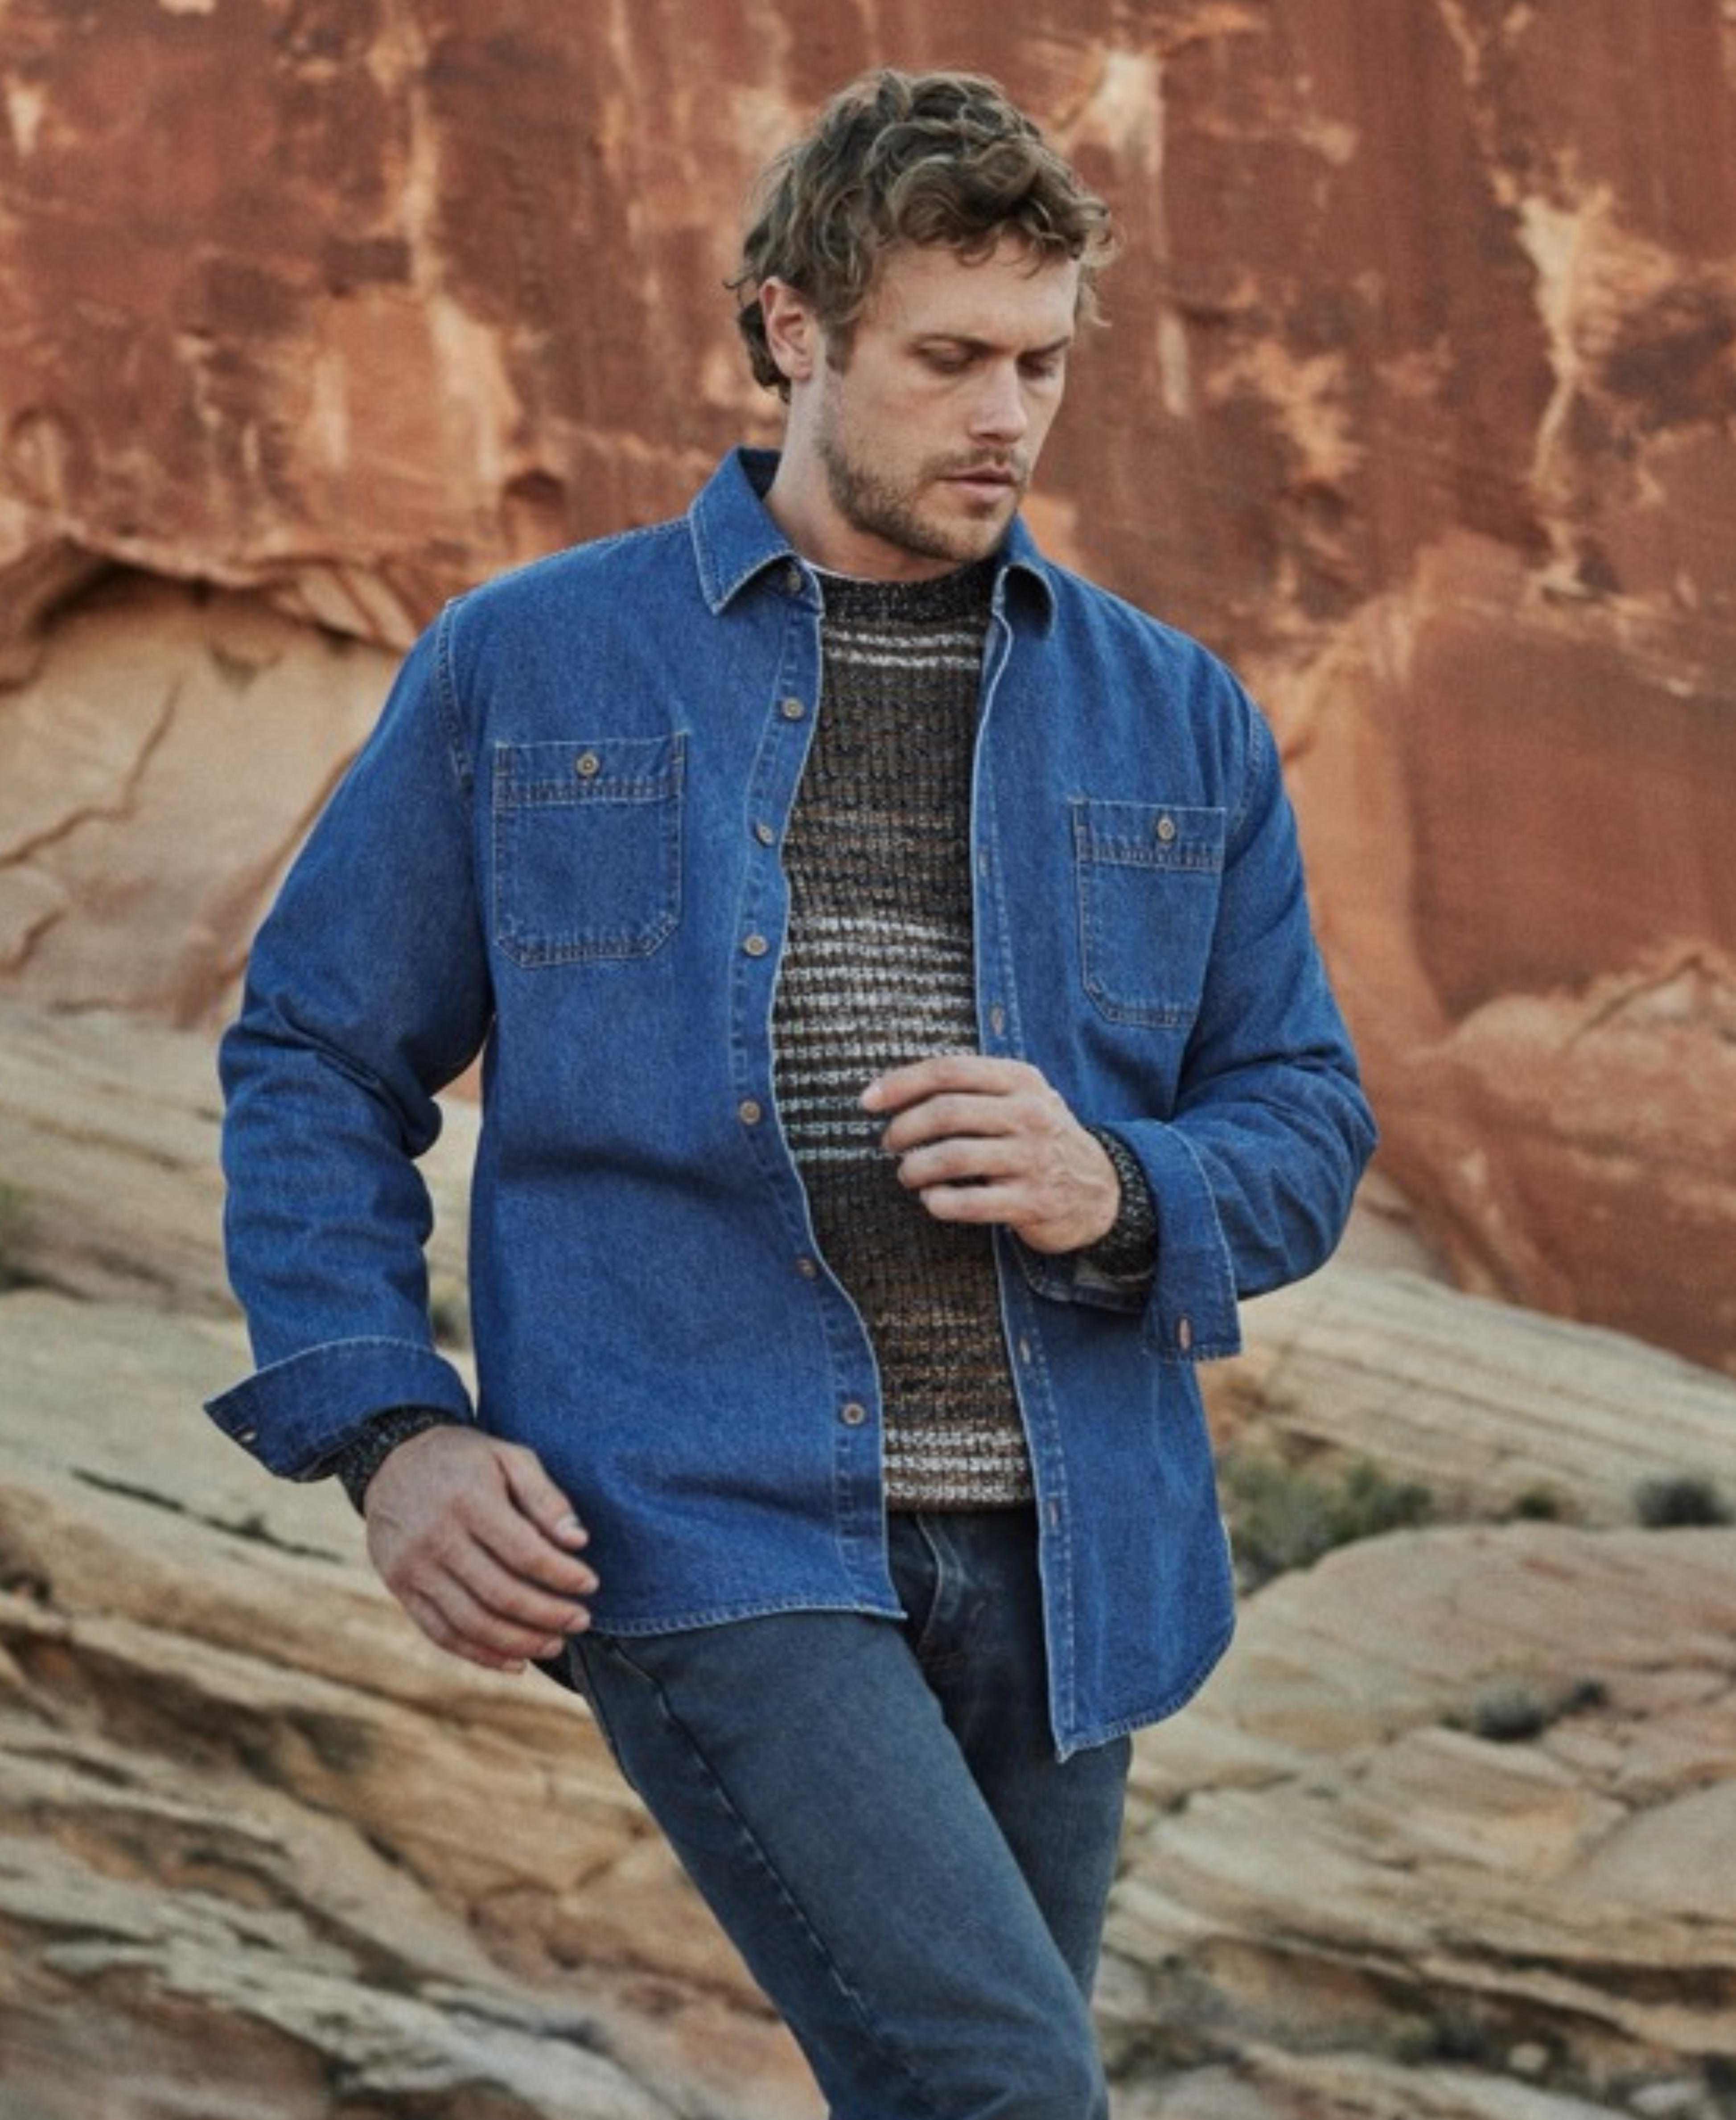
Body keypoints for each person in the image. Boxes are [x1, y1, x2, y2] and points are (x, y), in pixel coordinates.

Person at [208, 66, 1375, 2119]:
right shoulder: (529, 664)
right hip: (700, 1511)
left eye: (1039, 362)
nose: (1005, 415)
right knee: (1008, 2092)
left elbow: (1298, 1115)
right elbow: (315, 1051)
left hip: (1068, 1547)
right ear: (791, 331)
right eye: (946, 359)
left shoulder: (1173, 713)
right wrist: (387, 1432)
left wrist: (1113, 1179)